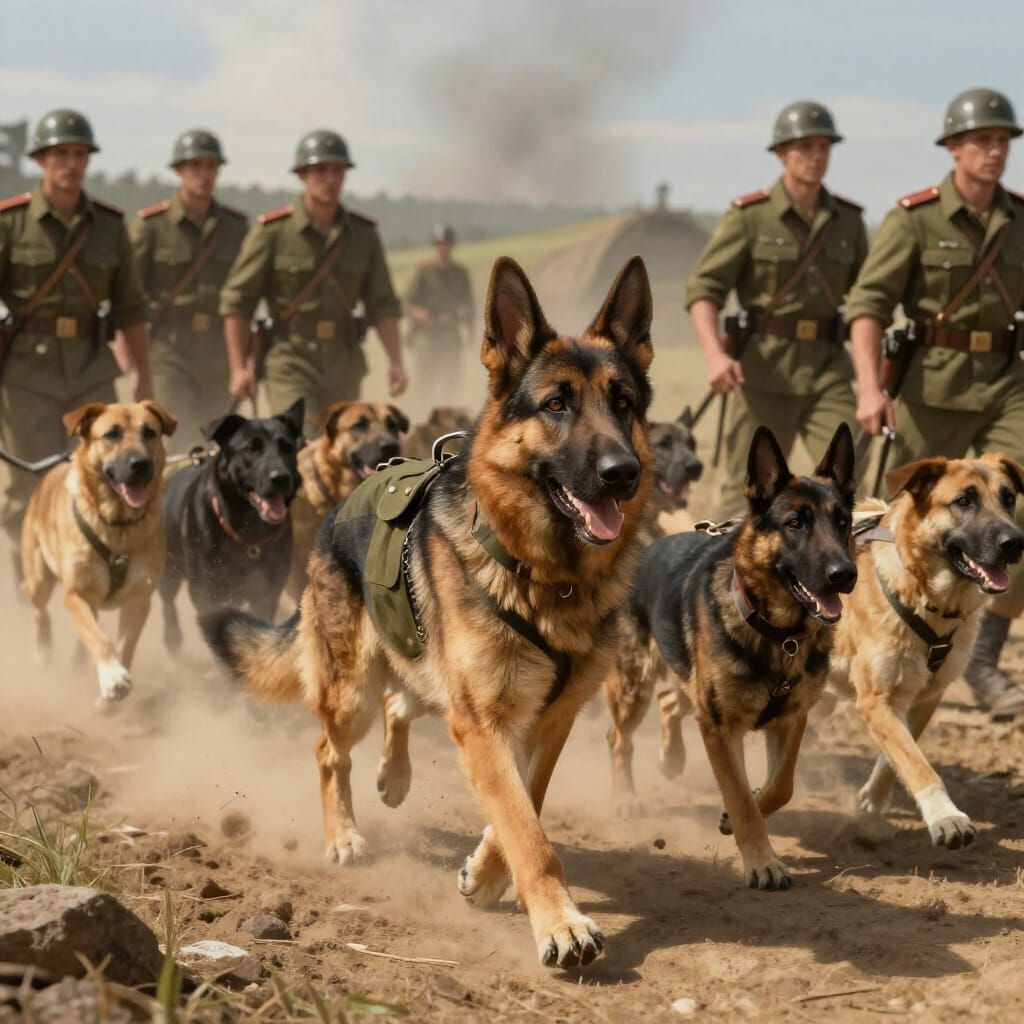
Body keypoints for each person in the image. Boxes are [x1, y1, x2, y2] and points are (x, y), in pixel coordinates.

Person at [846, 87, 1024, 719]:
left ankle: (979, 657)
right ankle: (881, 640)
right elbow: (867, 305)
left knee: (1012, 515)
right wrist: (871, 387)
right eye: (982, 140)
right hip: (929, 391)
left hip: (1006, 384)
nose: (995, 150)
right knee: (905, 529)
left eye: (1004, 140)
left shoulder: (1019, 218)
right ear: (953, 147)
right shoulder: (916, 219)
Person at [685, 100, 867, 512]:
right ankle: (724, 574)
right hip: (762, 369)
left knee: (850, 478)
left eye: (823, 147)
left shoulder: (849, 222)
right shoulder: (751, 217)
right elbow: (704, 290)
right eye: (804, 147)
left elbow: (867, 299)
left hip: (828, 369)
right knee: (746, 491)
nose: (816, 157)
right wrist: (715, 357)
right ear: (782, 153)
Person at [0, 108, 151, 550]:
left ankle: (94, 568)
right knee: (31, 480)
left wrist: (144, 375)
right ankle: (30, 584)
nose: (70, 163)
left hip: (92, 371)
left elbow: (131, 307)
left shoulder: (108, 225)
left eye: (79, 153)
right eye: (60, 153)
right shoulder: (12, 221)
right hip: (26, 374)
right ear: (42, 160)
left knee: (109, 473)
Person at [219, 129, 405, 431]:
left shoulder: (363, 234)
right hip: (290, 358)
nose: (330, 179)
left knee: (342, 446)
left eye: (337, 170)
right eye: (320, 171)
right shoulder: (273, 232)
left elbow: (382, 304)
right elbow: (237, 302)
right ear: (303, 175)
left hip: (344, 359)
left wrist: (396, 361)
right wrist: (239, 368)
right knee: (302, 443)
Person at [129, 129, 248, 441]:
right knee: (176, 435)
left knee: (219, 441)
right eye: (195, 166)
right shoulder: (152, 226)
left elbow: (250, 292)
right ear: (179, 170)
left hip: (219, 350)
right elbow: (128, 292)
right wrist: (125, 346)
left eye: (210, 166)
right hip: (169, 348)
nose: (204, 174)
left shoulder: (236, 228)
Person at [404, 223, 473, 411]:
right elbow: (406, 303)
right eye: (440, 243)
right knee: (425, 384)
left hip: (450, 335)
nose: (444, 247)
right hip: (426, 337)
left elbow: (469, 307)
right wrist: (418, 314)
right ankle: (423, 418)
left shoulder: (461, 273)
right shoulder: (424, 272)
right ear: (435, 245)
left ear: (452, 245)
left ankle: (449, 423)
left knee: (452, 382)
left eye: (447, 242)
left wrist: (470, 331)